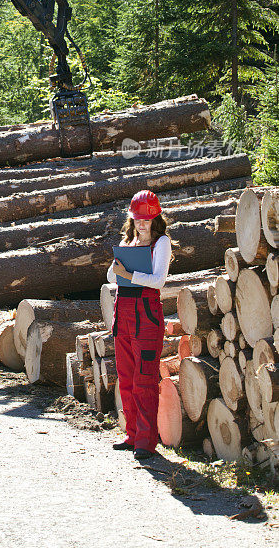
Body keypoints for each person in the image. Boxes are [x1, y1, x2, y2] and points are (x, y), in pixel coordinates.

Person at [107, 190, 172, 459]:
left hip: (146, 315)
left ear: (155, 218)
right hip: (123, 313)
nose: (142, 224)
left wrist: (129, 273)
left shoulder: (162, 243)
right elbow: (111, 274)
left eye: (146, 220)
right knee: (126, 378)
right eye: (138, 220)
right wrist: (121, 269)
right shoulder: (129, 240)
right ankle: (132, 434)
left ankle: (146, 442)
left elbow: (158, 280)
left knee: (144, 380)